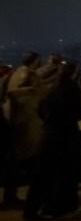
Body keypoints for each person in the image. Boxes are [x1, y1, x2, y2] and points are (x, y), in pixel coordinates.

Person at [23, 62, 81, 221]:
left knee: (42, 174)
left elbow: (40, 109)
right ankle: (61, 208)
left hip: (48, 134)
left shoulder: (49, 89)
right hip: (66, 134)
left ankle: (32, 210)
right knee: (65, 174)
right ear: (73, 74)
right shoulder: (73, 90)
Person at [1, 52, 43, 208]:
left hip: (13, 124)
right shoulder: (32, 81)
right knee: (34, 164)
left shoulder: (13, 75)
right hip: (29, 126)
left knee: (13, 164)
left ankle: (10, 196)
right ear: (36, 62)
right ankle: (35, 200)